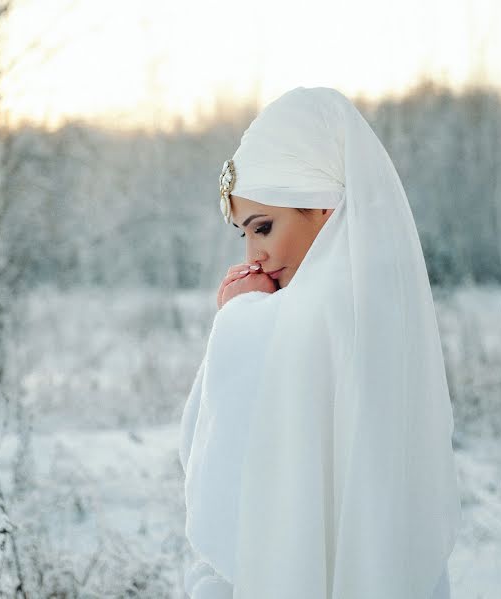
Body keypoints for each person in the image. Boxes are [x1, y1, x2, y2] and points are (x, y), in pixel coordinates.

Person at [178, 87, 462, 599]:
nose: (254, 253)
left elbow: (219, 473)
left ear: (325, 209)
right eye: (244, 234)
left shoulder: (296, 317)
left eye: (263, 227)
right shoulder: (385, 301)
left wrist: (238, 318)